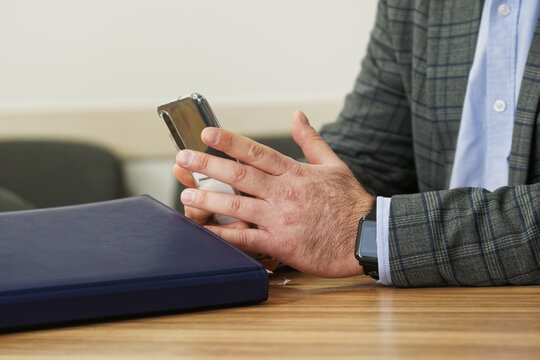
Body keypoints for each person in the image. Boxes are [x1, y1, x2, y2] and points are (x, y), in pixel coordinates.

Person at [173, 0, 540, 287]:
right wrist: (270, 210)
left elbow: (352, 219)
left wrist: (372, 233)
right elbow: (373, 150)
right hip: (433, 314)